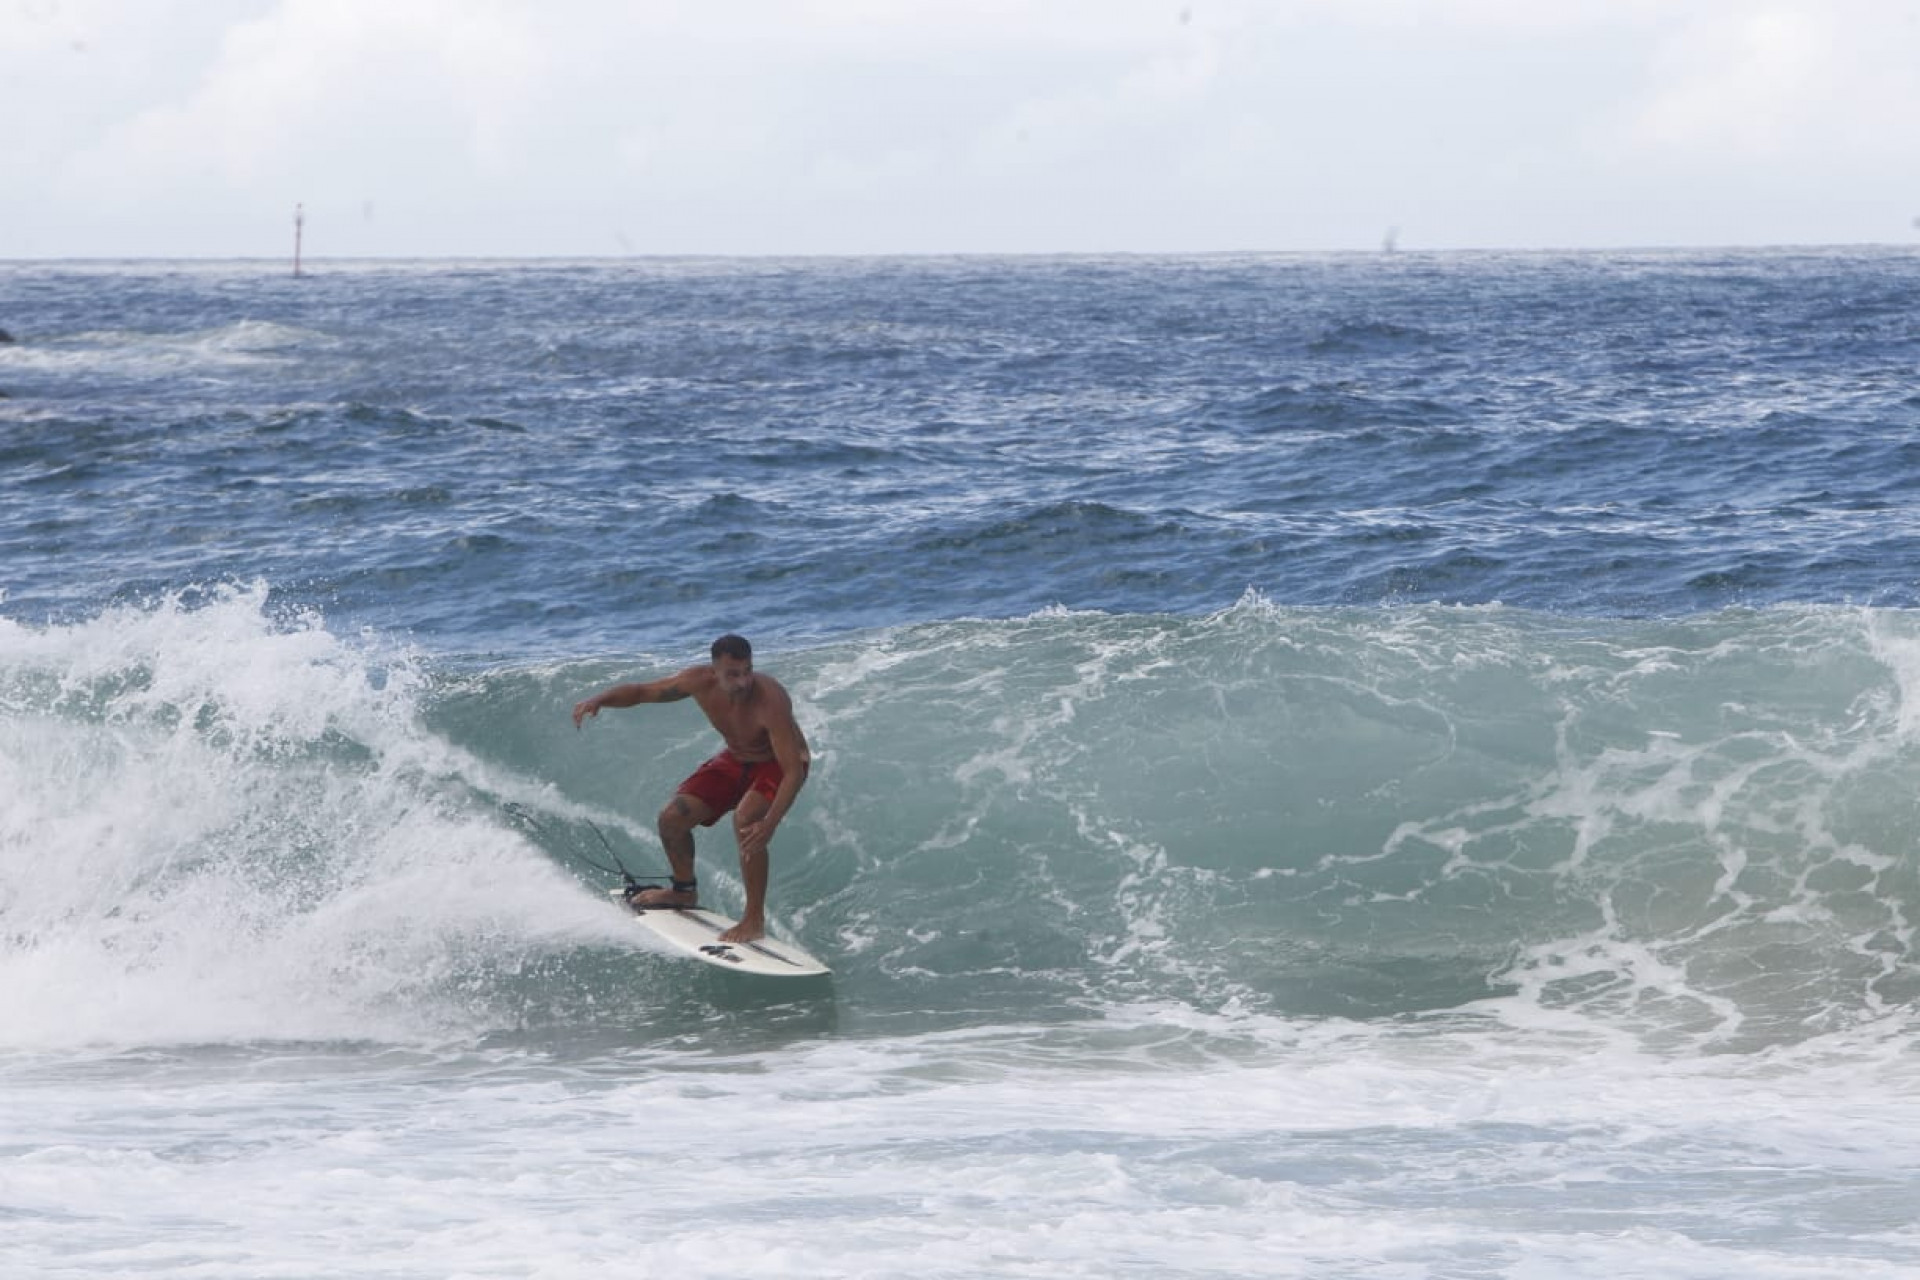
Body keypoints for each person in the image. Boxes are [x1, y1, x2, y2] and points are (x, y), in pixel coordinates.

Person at [572, 634, 810, 944]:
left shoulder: (771, 700)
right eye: (733, 674)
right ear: (714, 671)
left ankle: (754, 920)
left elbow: (792, 770)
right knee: (672, 817)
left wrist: (770, 824)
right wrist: (600, 699)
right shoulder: (698, 682)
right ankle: (683, 892)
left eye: (748, 671)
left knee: (747, 819)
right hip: (737, 759)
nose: (743, 682)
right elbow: (644, 692)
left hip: (780, 762)